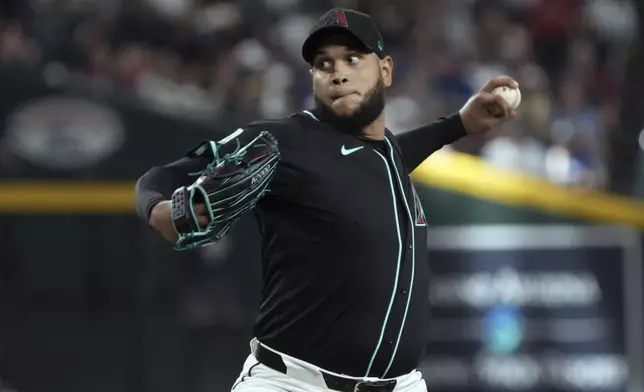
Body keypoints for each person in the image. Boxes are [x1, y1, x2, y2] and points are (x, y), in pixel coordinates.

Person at [135, 8, 517, 392]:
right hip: (294, 384)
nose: (338, 72)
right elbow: (161, 177)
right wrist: (158, 209)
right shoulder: (282, 141)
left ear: (385, 69)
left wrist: (460, 124)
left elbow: (391, 152)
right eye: (323, 63)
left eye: (353, 58)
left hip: (402, 385)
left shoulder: (384, 156)